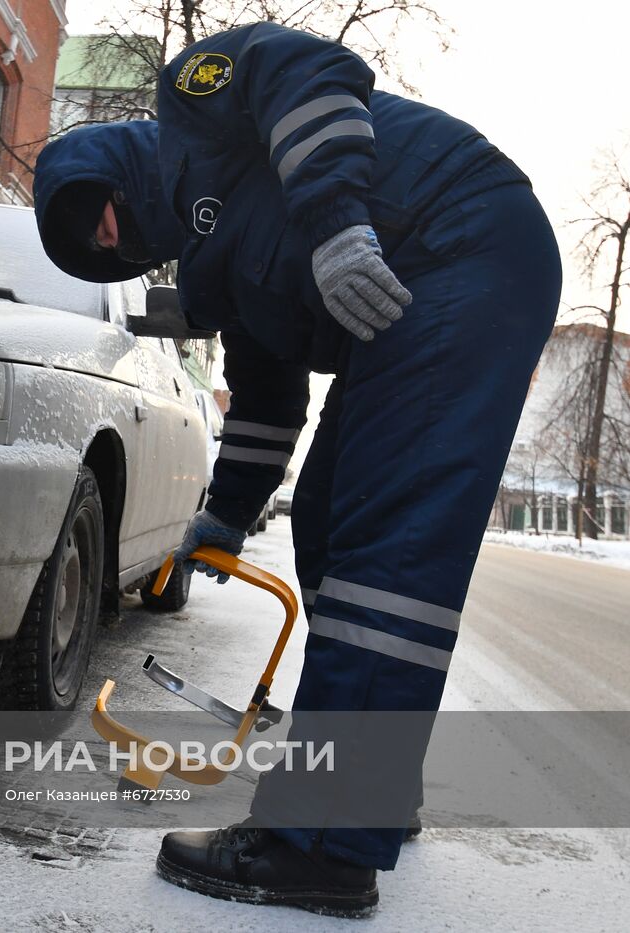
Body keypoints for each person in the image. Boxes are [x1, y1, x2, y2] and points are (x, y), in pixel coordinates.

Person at [32, 22, 561, 918]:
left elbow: (305, 70)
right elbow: (269, 395)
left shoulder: (193, 102)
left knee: (388, 546)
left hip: (460, 238)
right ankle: (369, 782)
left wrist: (337, 226)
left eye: (100, 218)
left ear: (110, 172)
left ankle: (322, 841)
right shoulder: (217, 270)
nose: (114, 242)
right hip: (410, 296)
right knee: (325, 517)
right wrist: (226, 513)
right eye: (103, 250)